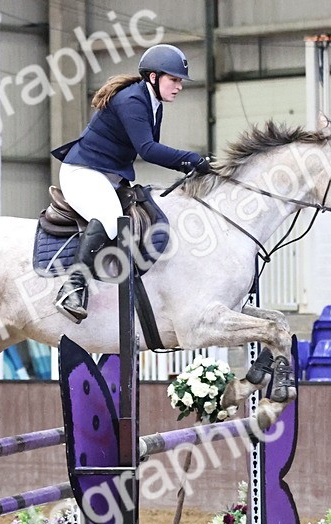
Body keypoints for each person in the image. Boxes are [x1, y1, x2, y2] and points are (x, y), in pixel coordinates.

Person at [49, 43, 212, 322]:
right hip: (83, 172)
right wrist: (191, 159)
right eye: (173, 79)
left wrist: (192, 163)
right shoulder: (132, 100)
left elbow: (149, 148)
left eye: (179, 80)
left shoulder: (153, 102)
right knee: (111, 219)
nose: (179, 86)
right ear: (153, 77)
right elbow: (147, 149)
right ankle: (72, 287)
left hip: (108, 175)